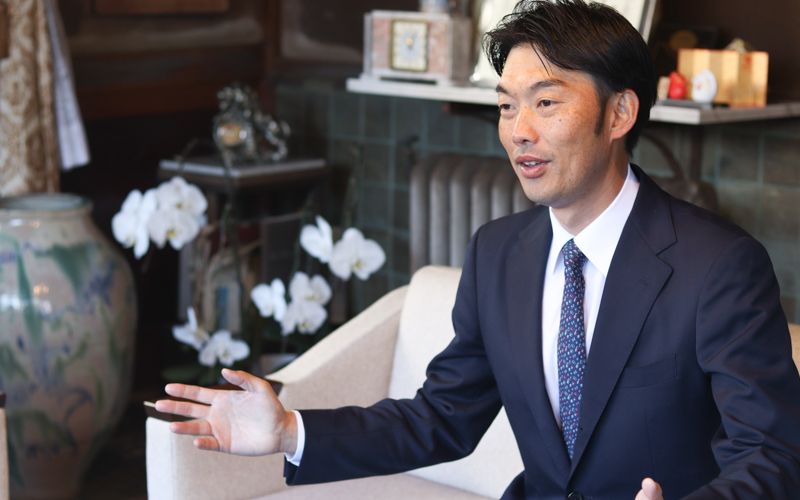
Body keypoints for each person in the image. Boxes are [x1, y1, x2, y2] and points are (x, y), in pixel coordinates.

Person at [155, 1, 800, 498]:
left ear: (619, 114)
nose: (519, 131)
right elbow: (442, 417)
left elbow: (772, 454)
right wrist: (290, 431)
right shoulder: (499, 255)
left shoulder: (719, 266)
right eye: (506, 106)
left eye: (546, 102)